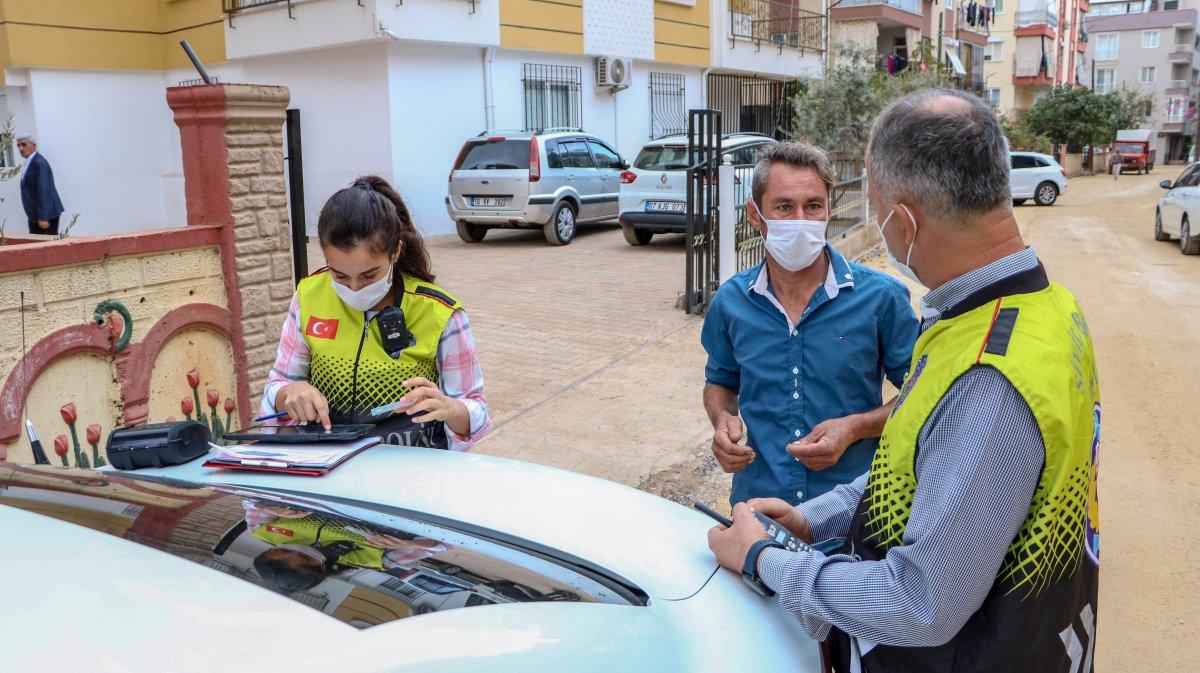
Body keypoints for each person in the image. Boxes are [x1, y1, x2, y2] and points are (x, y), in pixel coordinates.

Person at [707, 89, 1101, 672]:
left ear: (905, 218)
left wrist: (766, 557)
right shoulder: (1040, 310)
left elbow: (919, 604)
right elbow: (931, 471)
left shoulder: (988, 373)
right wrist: (816, 519)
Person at [700, 141, 918, 510]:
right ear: (756, 216)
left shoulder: (881, 300)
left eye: (813, 206)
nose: (801, 220)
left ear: (828, 209)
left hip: (853, 513)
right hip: (759, 509)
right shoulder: (731, 302)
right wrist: (722, 420)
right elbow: (721, 381)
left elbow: (923, 394)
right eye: (784, 207)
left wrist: (854, 429)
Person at [260, 175, 491, 450]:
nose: (355, 288)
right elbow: (279, 384)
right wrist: (290, 392)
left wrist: (451, 409)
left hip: (410, 470)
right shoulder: (309, 296)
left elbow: (475, 410)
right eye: (340, 275)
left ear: (395, 252)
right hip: (325, 463)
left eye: (369, 275)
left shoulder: (441, 313)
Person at [16, 134, 64, 235]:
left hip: (45, 216)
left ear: (33, 146)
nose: (20, 148)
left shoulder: (39, 163)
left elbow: (44, 190)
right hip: (35, 216)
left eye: (24, 145)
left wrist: (43, 217)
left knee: (47, 248)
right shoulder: (30, 162)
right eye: (18, 145)